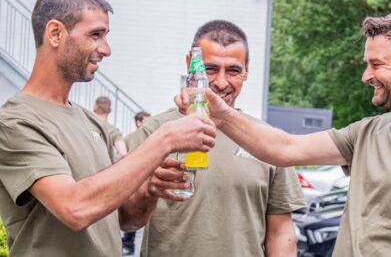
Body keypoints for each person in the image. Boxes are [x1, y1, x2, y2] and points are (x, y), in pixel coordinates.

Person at [185, 12, 391, 256]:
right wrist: (222, 114)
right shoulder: (367, 131)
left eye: (376, 65)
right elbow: (285, 149)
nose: (366, 76)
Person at [0, 0, 215, 257]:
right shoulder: (15, 122)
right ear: (55, 33)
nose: (106, 49)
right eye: (96, 35)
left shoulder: (93, 123)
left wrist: (150, 189)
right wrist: (165, 138)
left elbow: (126, 219)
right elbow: (75, 209)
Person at [127, 20, 305, 257]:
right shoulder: (154, 132)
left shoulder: (267, 142)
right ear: (191, 64)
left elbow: (281, 234)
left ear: (247, 70)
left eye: (233, 70)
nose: (221, 82)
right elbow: (125, 222)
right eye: (210, 69)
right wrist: (148, 190)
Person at [122, 110, 151, 256]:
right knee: (130, 216)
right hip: (132, 182)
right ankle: (128, 244)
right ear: (139, 122)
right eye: (146, 120)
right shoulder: (129, 138)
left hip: (146, 180)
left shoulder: (151, 136)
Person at [93, 95, 127, 160]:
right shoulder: (114, 131)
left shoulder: (85, 125)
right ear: (110, 110)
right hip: (106, 168)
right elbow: (123, 153)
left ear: (94, 108)